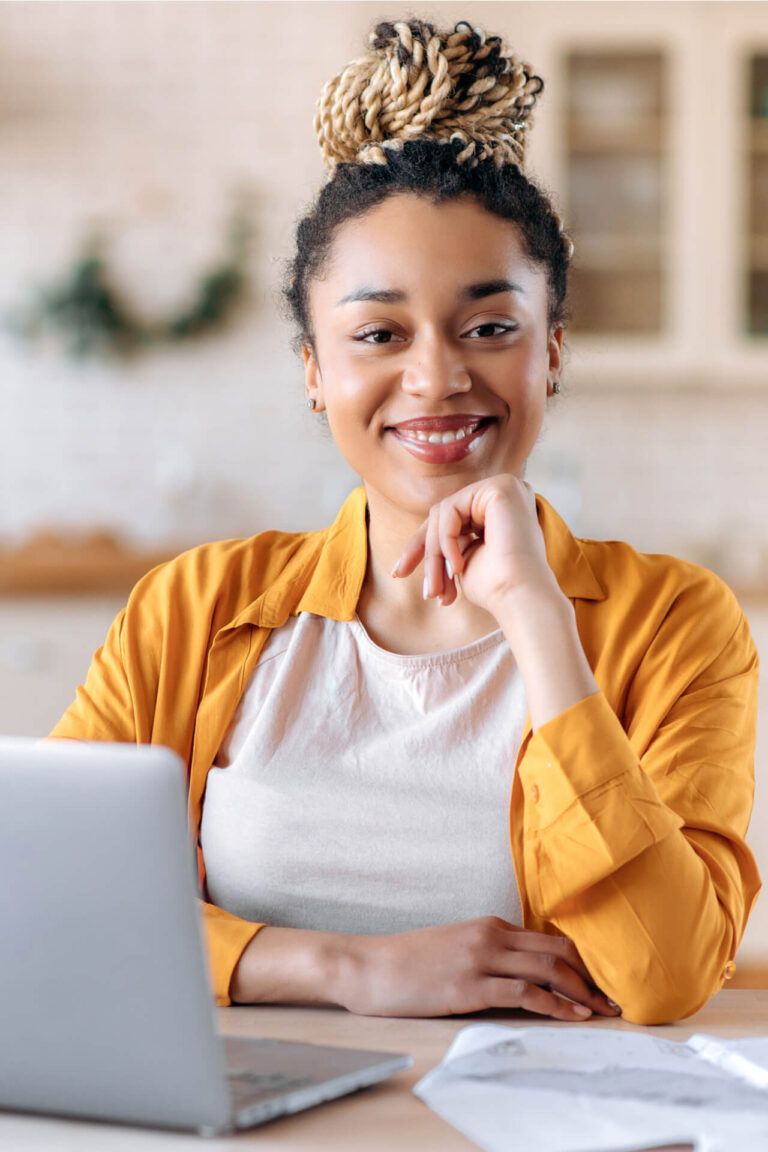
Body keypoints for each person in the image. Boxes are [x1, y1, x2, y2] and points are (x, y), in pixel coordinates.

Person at [50, 16, 760, 1027]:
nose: (436, 377)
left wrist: (540, 624)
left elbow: (663, 973)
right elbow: (50, 898)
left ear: (550, 353)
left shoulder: (678, 622)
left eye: (489, 328)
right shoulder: (195, 607)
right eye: (378, 333)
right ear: (314, 371)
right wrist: (341, 967)